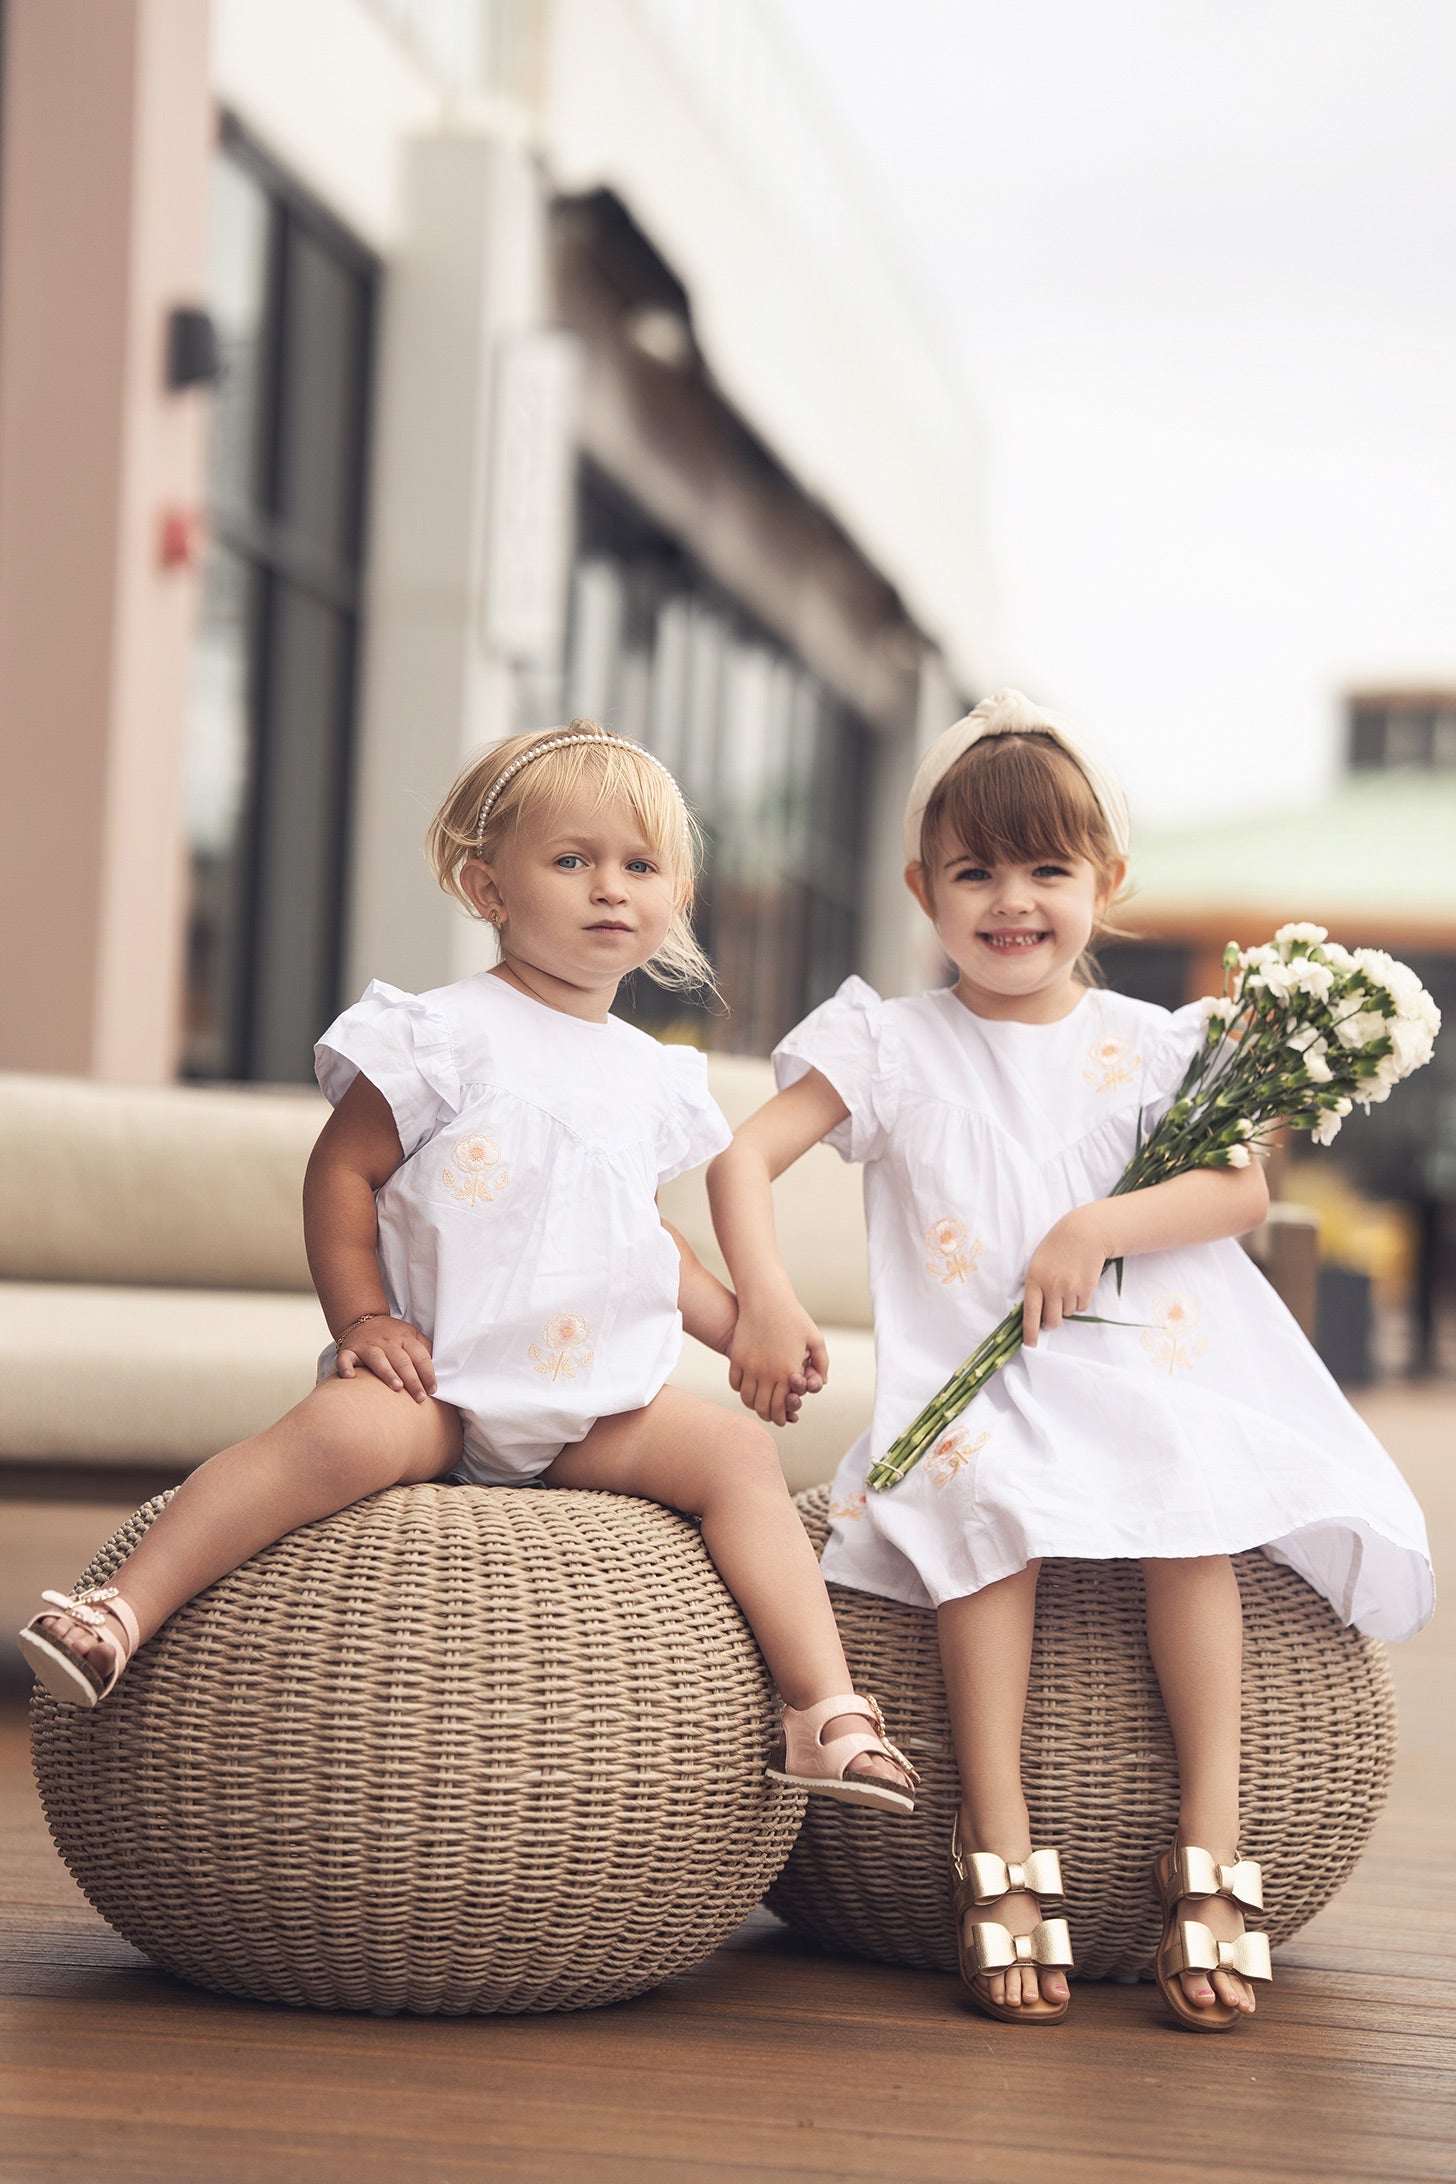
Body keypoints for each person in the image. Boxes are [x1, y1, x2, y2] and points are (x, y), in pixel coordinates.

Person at [20, 723, 915, 1815]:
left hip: (592, 1408)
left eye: (640, 867)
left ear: (675, 898)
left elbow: (641, 1238)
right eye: (572, 860)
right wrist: (362, 1319)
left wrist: (739, 1330)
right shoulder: (440, 1034)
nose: (608, 890)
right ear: (486, 885)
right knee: (335, 1432)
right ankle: (122, 1612)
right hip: (437, 1383)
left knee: (733, 1453)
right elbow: (339, 1176)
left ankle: (821, 1712)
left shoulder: (657, 1078)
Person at [707, 689, 1433, 2031]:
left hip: (1139, 1353)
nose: (1012, 900)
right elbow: (742, 1156)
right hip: (972, 1385)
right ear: (923, 886)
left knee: (1189, 1490)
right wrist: (759, 1293)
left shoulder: (1157, 1045)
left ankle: (1209, 1845)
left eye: (1048, 868)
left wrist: (1094, 1227)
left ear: (1106, 880)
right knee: (988, 1503)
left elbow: (1230, 1193)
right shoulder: (892, 1042)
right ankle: (998, 1839)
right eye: (976, 870)